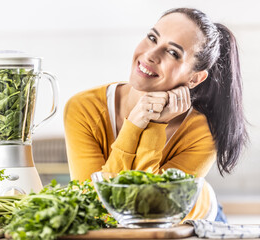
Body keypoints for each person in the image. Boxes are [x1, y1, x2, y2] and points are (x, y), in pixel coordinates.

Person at [63, 8, 248, 222]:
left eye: (173, 53)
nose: (151, 55)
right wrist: (134, 123)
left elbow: (151, 211)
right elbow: (94, 207)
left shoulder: (202, 132)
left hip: (196, 222)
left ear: (195, 79)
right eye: (152, 38)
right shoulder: (83, 108)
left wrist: (155, 125)